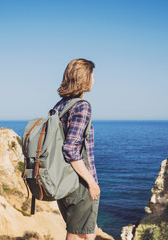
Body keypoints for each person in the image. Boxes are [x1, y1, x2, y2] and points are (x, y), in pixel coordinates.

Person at [52, 58, 100, 240]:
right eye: (93, 75)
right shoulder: (82, 106)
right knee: (77, 234)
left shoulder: (59, 107)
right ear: (85, 78)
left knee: (88, 232)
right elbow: (71, 149)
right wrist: (91, 182)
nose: (94, 80)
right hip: (79, 183)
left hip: (63, 181)